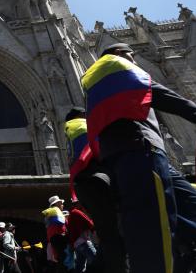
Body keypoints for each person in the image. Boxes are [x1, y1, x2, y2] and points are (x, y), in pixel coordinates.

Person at [81, 42, 196, 272]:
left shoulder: (94, 81)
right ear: (121, 54)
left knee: (160, 220)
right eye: (132, 56)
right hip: (143, 151)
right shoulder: (118, 67)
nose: (135, 62)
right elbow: (164, 97)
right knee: (154, 233)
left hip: (119, 158)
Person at [63, 107, 127, 272]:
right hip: (97, 179)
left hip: (83, 183)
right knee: (115, 235)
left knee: (109, 237)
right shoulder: (82, 125)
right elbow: (100, 148)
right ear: (81, 115)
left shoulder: (69, 129)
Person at [67, 200, 97, 273]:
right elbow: (90, 223)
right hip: (83, 242)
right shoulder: (76, 212)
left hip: (77, 244)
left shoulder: (72, 214)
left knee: (80, 267)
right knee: (96, 260)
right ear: (77, 204)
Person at [42, 195, 67, 270]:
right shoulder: (55, 212)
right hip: (58, 238)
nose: (62, 205)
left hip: (55, 239)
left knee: (60, 260)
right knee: (63, 260)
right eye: (61, 203)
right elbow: (60, 225)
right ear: (56, 204)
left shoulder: (52, 213)